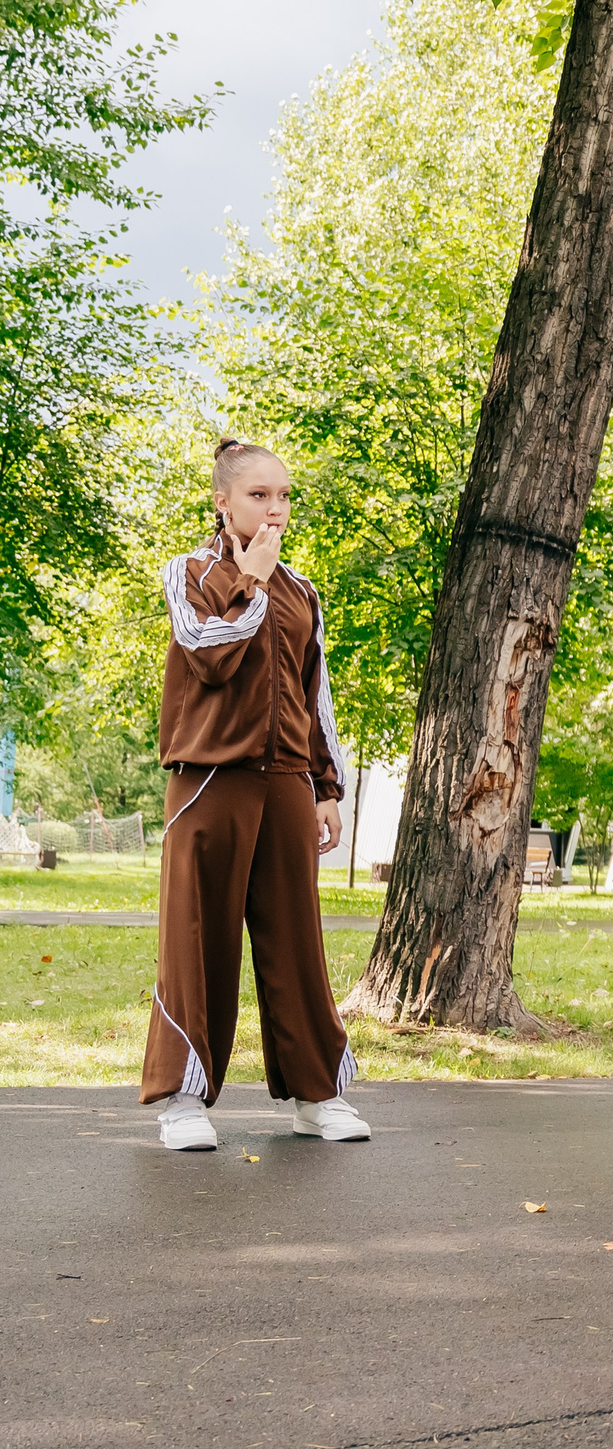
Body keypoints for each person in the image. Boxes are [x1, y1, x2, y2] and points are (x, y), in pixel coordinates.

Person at [144, 440, 367, 1151]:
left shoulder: (302, 591)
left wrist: (326, 786)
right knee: (197, 937)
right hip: (208, 779)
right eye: (259, 495)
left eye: (284, 496)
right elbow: (207, 653)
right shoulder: (191, 572)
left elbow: (314, 694)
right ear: (222, 501)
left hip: (287, 785)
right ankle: (182, 1100)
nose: (275, 509)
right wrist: (251, 581)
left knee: (296, 940)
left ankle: (314, 1092)